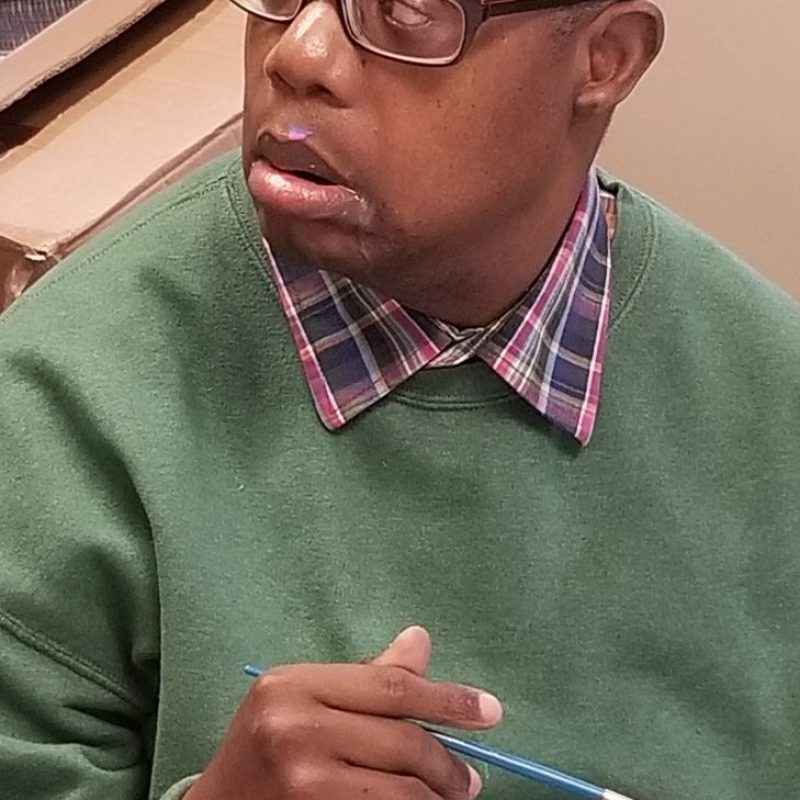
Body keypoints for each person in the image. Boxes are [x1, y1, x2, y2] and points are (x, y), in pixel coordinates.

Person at [1, 0, 798, 798]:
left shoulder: (772, 407)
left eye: (408, 8)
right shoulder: (55, 406)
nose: (299, 55)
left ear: (606, 58)